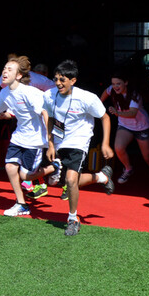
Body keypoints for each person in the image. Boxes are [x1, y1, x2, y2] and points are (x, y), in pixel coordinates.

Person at [0, 55, 57, 217]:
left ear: (19, 76)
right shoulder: (4, 93)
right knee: (9, 167)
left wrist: (50, 141)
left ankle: (54, 166)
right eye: (4, 68)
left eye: (10, 69)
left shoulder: (30, 92)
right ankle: (21, 204)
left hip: (35, 140)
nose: (5, 71)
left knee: (25, 175)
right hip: (19, 137)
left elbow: (45, 113)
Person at [45, 60, 115, 236]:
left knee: (70, 180)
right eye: (56, 79)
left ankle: (72, 218)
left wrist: (105, 143)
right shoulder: (49, 95)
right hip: (60, 142)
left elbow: (105, 118)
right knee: (68, 182)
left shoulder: (87, 98)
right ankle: (101, 177)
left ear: (73, 81)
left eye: (62, 80)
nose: (58, 83)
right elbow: (51, 119)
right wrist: (51, 144)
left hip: (79, 142)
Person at [101, 70, 149, 184]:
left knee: (147, 156)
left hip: (141, 126)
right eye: (113, 84)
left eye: (118, 84)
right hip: (124, 126)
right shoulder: (111, 90)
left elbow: (132, 113)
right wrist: (98, 106)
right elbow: (103, 95)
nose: (115, 87)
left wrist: (117, 113)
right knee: (118, 148)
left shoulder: (134, 95)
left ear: (125, 83)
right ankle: (128, 168)